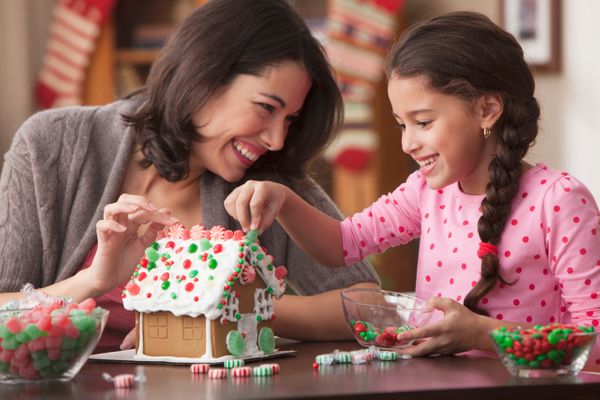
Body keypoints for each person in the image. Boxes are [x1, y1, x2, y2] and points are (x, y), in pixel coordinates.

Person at [224, 11, 600, 369]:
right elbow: (342, 245)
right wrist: (284, 198)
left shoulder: (558, 200)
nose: (408, 143)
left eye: (423, 122)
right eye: (402, 125)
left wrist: (482, 334)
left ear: (487, 109)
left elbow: (593, 340)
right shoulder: (425, 192)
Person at [0, 0, 379, 353]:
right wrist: (90, 283)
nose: (277, 139)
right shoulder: (51, 145)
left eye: (290, 119)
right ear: (204, 78)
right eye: (266, 107)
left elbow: (369, 305)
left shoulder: (268, 186)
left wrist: (231, 307)